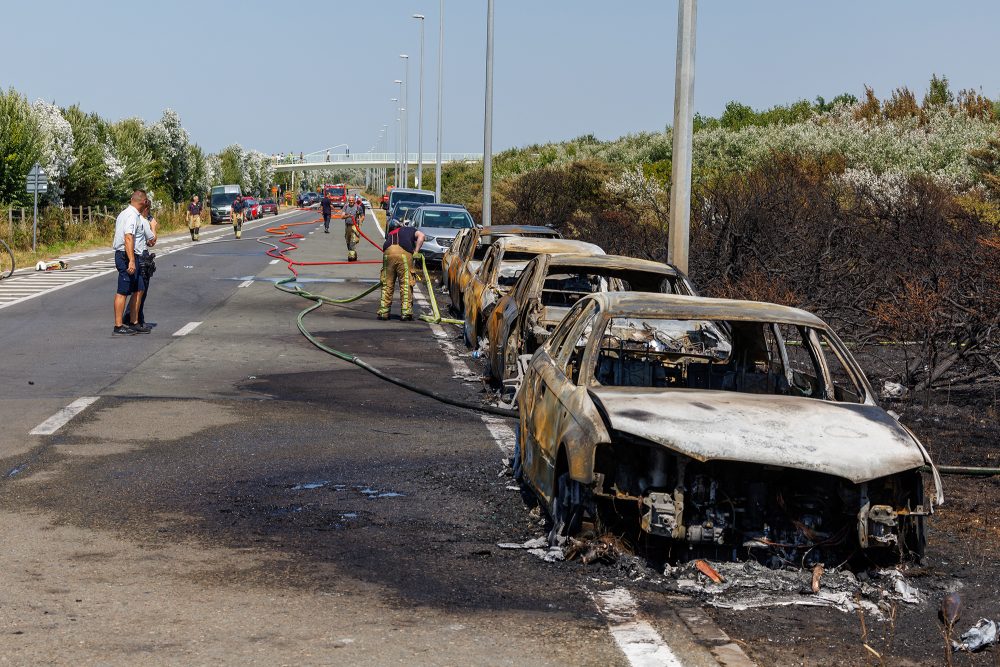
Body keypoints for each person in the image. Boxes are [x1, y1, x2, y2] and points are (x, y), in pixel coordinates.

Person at [112, 190, 148, 335]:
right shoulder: (132, 216)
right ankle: (118, 325)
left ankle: (134, 322)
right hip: (126, 256)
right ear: (144, 201)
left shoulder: (125, 213)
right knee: (123, 291)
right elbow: (128, 237)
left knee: (139, 288)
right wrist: (131, 260)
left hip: (133, 255)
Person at [377, 218, 425, 321]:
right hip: (404, 254)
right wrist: (416, 251)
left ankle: (384, 312)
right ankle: (406, 312)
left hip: (388, 252)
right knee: (405, 283)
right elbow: (422, 236)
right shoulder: (409, 230)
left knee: (387, 283)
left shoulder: (390, 234)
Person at [123, 198, 157, 328]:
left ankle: (134, 317)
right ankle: (134, 319)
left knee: (137, 290)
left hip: (134, 254)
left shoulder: (128, 216)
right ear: (146, 209)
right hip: (141, 255)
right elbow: (152, 241)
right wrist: (153, 226)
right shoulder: (142, 221)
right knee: (141, 290)